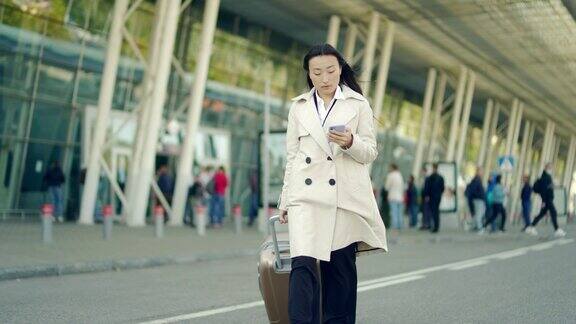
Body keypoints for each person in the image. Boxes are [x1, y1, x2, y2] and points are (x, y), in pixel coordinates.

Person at [277, 43, 387, 323]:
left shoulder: (357, 104)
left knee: (339, 271)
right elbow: (292, 157)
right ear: (309, 75)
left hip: (343, 198)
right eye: (317, 72)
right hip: (306, 196)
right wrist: (286, 200)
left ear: (340, 70)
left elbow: (370, 152)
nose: (325, 78)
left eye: (330, 70)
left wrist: (350, 142)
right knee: (302, 265)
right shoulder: (298, 107)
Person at [525, 163, 566, 237]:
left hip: (547, 199)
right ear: (546, 168)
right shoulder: (545, 177)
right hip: (547, 199)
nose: (551, 169)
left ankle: (531, 227)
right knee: (553, 212)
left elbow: (547, 188)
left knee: (542, 213)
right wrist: (543, 201)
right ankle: (557, 229)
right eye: (550, 168)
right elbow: (544, 190)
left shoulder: (546, 176)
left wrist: (552, 186)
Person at [423, 163, 445, 233]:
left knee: (433, 211)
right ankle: (436, 226)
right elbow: (442, 188)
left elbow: (427, 188)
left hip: (432, 197)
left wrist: (427, 195)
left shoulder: (430, 177)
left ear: (433, 168)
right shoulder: (441, 177)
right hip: (438, 197)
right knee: (436, 211)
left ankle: (434, 226)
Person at [465, 167, 487, 232]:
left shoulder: (478, 179)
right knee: (479, 215)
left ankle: (475, 227)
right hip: (478, 200)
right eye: (481, 171)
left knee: (478, 214)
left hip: (478, 200)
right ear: (477, 172)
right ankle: (480, 228)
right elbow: (474, 190)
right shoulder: (477, 180)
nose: (482, 173)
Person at [385, 164, 405, 230]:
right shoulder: (400, 175)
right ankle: (400, 226)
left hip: (393, 196)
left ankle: (395, 226)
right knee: (399, 212)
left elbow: (387, 187)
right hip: (400, 197)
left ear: (392, 168)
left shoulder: (390, 175)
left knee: (394, 212)